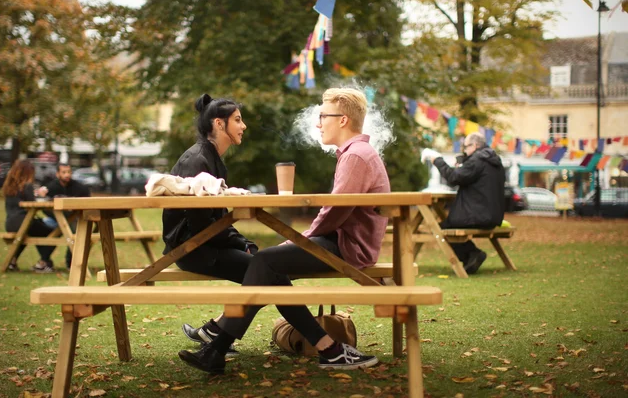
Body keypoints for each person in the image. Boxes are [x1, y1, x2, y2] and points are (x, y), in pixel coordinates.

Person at [179, 87, 391, 374]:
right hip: (342, 241)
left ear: (342, 120)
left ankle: (218, 340)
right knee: (267, 266)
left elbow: (336, 211)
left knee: (265, 263)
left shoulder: (356, 156)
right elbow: (336, 212)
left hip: (348, 248)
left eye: (323, 116)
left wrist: (300, 240)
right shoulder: (355, 153)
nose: (318, 123)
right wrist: (300, 241)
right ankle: (327, 349)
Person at [163, 93, 258, 356]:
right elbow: (203, 224)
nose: (243, 126)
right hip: (192, 249)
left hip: (205, 243)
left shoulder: (213, 160)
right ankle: (218, 337)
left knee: (268, 272)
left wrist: (243, 243)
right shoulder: (197, 161)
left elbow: (218, 218)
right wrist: (239, 243)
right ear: (218, 124)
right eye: (238, 120)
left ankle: (217, 334)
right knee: (267, 274)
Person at [423, 132, 505, 274]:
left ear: (474, 145)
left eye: (465, 147)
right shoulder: (493, 160)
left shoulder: (477, 160)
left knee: (441, 228)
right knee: (447, 224)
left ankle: (473, 254)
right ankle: (471, 257)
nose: (464, 150)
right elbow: (470, 173)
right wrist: (463, 161)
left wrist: (437, 160)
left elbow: (453, 178)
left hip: (478, 215)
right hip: (493, 216)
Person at [2, 159, 57, 273]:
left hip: (10, 223)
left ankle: (12, 261)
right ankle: (44, 262)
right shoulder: (26, 186)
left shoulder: (9, 186)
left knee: (24, 236)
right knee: (51, 232)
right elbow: (32, 204)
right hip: (24, 221)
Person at [44, 164, 91, 268]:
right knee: (44, 228)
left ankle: (71, 262)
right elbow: (44, 207)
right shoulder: (51, 188)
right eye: (64, 172)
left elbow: (88, 204)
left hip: (74, 219)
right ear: (58, 174)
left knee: (78, 230)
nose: (67, 175)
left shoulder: (80, 188)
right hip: (55, 219)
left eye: (69, 172)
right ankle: (44, 260)